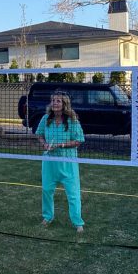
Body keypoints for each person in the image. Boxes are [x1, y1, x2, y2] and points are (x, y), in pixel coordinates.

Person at [36, 90, 86, 233]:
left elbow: (79, 140)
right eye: (53, 101)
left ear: (64, 104)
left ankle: (78, 222)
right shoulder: (46, 118)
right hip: (49, 161)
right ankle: (47, 217)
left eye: (58, 101)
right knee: (46, 190)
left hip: (67, 161)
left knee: (73, 193)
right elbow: (39, 135)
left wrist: (61, 145)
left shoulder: (72, 120)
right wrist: (44, 144)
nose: (55, 103)